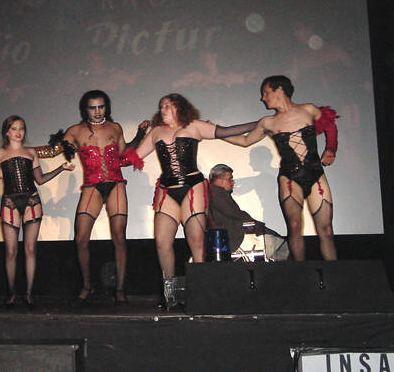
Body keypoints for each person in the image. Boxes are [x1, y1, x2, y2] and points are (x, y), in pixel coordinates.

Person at [128, 94, 256, 301]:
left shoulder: (194, 126)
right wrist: (138, 135)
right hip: (167, 189)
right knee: (161, 242)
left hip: (192, 186)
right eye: (161, 106)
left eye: (167, 105)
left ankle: (202, 290)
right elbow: (131, 158)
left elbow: (226, 131)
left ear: (179, 107)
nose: (162, 109)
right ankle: (170, 292)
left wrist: (261, 124)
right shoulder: (156, 132)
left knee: (196, 240)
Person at [35, 90, 148, 305]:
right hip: (92, 185)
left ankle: (120, 289)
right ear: (85, 109)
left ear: (106, 108)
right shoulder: (75, 131)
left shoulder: (115, 128)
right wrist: (24, 150)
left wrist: (140, 135)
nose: (97, 112)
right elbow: (52, 151)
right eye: (92, 108)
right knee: (81, 238)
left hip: (115, 183)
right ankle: (87, 286)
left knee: (119, 237)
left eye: (101, 107)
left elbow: (123, 155)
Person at [222, 75, 338, 260]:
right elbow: (245, 141)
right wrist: (217, 133)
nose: (263, 98)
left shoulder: (308, 109)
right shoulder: (267, 122)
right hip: (289, 177)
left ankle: (333, 272)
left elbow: (330, 124)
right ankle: (300, 271)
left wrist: (331, 148)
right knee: (294, 226)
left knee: (326, 230)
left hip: (316, 174)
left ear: (280, 90)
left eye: (266, 92)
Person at [0, 115, 74, 308]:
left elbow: (40, 179)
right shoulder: (0, 153)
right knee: (11, 251)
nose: (18, 132)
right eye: (14, 128)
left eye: (21, 128)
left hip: (32, 200)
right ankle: (12, 293)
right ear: (6, 132)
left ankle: (29, 294)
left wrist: (61, 168)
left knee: (30, 249)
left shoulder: (31, 152)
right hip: (10, 201)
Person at [208, 163, 285, 256]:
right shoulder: (217, 195)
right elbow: (235, 214)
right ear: (219, 180)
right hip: (232, 236)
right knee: (278, 244)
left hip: (230, 234)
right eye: (230, 179)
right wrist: (255, 223)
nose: (233, 182)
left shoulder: (215, 193)